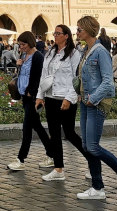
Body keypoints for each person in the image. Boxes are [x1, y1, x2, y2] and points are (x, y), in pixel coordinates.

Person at [74, 16, 117, 200]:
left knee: (93, 146)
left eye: (79, 29)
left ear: (88, 30)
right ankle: (97, 188)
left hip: (96, 103)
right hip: (86, 102)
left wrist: (92, 98)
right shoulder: (86, 51)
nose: (77, 32)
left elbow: (108, 83)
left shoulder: (100, 52)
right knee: (87, 146)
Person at [36, 23, 86, 183]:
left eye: (58, 33)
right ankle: (58, 169)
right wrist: (40, 96)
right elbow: (44, 75)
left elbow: (76, 78)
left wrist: (69, 98)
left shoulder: (73, 54)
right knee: (54, 134)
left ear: (66, 36)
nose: (55, 36)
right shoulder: (50, 52)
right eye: (54, 33)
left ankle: (93, 161)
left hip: (65, 99)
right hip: (51, 98)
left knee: (70, 133)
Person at [7, 31, 55, 172]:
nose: (20, 47)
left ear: (30, 43)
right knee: (37, 127)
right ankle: (52, 154)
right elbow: (21, 74)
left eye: (23, 44)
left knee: (27, 128)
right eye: (19, 45)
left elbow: (38, 77)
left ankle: (21, 159)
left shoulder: (37, 57)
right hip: (24, 96)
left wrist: (31, 92)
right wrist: (19, 65)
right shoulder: (23, 55)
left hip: (33, 97)